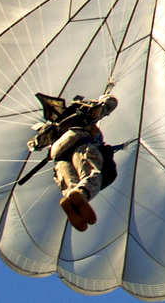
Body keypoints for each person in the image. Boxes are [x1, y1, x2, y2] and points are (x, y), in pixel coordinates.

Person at [27, 94, 118, 231]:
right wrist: (104, 100)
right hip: (79, 141)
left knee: (69, 183)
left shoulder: (55, 127)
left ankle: (73, 198)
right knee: (91, 173)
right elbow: (109, 104)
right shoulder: (84, 114)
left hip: (58, 153)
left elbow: (35, 145)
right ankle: (82, 194)